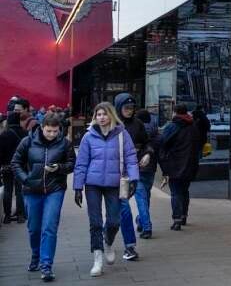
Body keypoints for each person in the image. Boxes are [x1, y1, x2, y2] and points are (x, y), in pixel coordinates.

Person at [73, 102, 139, 277]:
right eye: (98, 114)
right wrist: (78, 187)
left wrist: (134, 178)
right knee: (95, 222)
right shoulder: (88, 136)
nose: (101, 117)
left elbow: (131, 157)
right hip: (92, 184)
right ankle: (97, 259)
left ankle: (108, 241)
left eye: (104, 114)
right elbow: (81, 163)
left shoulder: (122, 134)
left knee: (114, 221)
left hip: (114, 183)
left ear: (111, 115)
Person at [11, 114, 76, 282]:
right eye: (49, 131)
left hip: (55, 190)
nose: (52, 134)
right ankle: (35, 255)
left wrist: (59, 168)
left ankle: (46, 265)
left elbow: (71, 164)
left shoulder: (65, 143)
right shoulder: (27, 141)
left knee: (49, 227)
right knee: (34, 228)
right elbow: (15, 163)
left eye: (55, 131)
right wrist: (26, 179)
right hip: (32, 190)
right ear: (42, 127)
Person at [114, 93, 150, 261]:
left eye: (131, 108)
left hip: (131, 172)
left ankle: (129, 246)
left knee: (126, 210)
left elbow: (147, 142)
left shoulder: (138, 124)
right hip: (112, 175)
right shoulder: (111, 124)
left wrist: (147, 153)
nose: (129, 111)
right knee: (120, 213)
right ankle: (109, 236)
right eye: (126, 108)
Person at [158, 104, 200, 231]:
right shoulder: (193, 126)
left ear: (175, 113)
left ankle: (176, 219)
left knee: (175, 192)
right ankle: (183, 216)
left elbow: (163, 143)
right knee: (184, 191)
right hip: (189, 164)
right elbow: (198, 144)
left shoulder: (172, 126)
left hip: (175, 164)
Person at [134, 109, 158, 239]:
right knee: (145, 197)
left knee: (140, 199)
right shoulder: (156, 133)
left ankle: (146, 226)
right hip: (151, 170)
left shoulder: (136, 131)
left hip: (138, 168)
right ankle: (141, 220)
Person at [0, 112, 27, 223]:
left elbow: (0, 152)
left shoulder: (4, 135)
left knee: (7, 190)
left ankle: (7, 216)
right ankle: (20, 215)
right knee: (20, 190)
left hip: (7, 166)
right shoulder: (25, 133)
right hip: (20, 166)